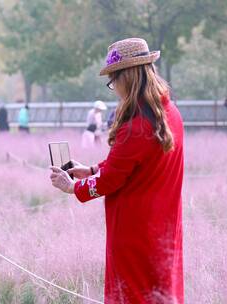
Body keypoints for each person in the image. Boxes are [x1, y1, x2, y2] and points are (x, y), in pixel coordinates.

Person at [50, 38, 184, 303]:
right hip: (164, 223)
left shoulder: (136, 126)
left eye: (113, 80)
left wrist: (72, 186)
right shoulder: (169, 113)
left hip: (134, 229)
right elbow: (131, 165)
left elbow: (111, 179)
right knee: (161, 290)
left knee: (132, 292)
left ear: (127, 77)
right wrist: (90, 170)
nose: (113, 88)